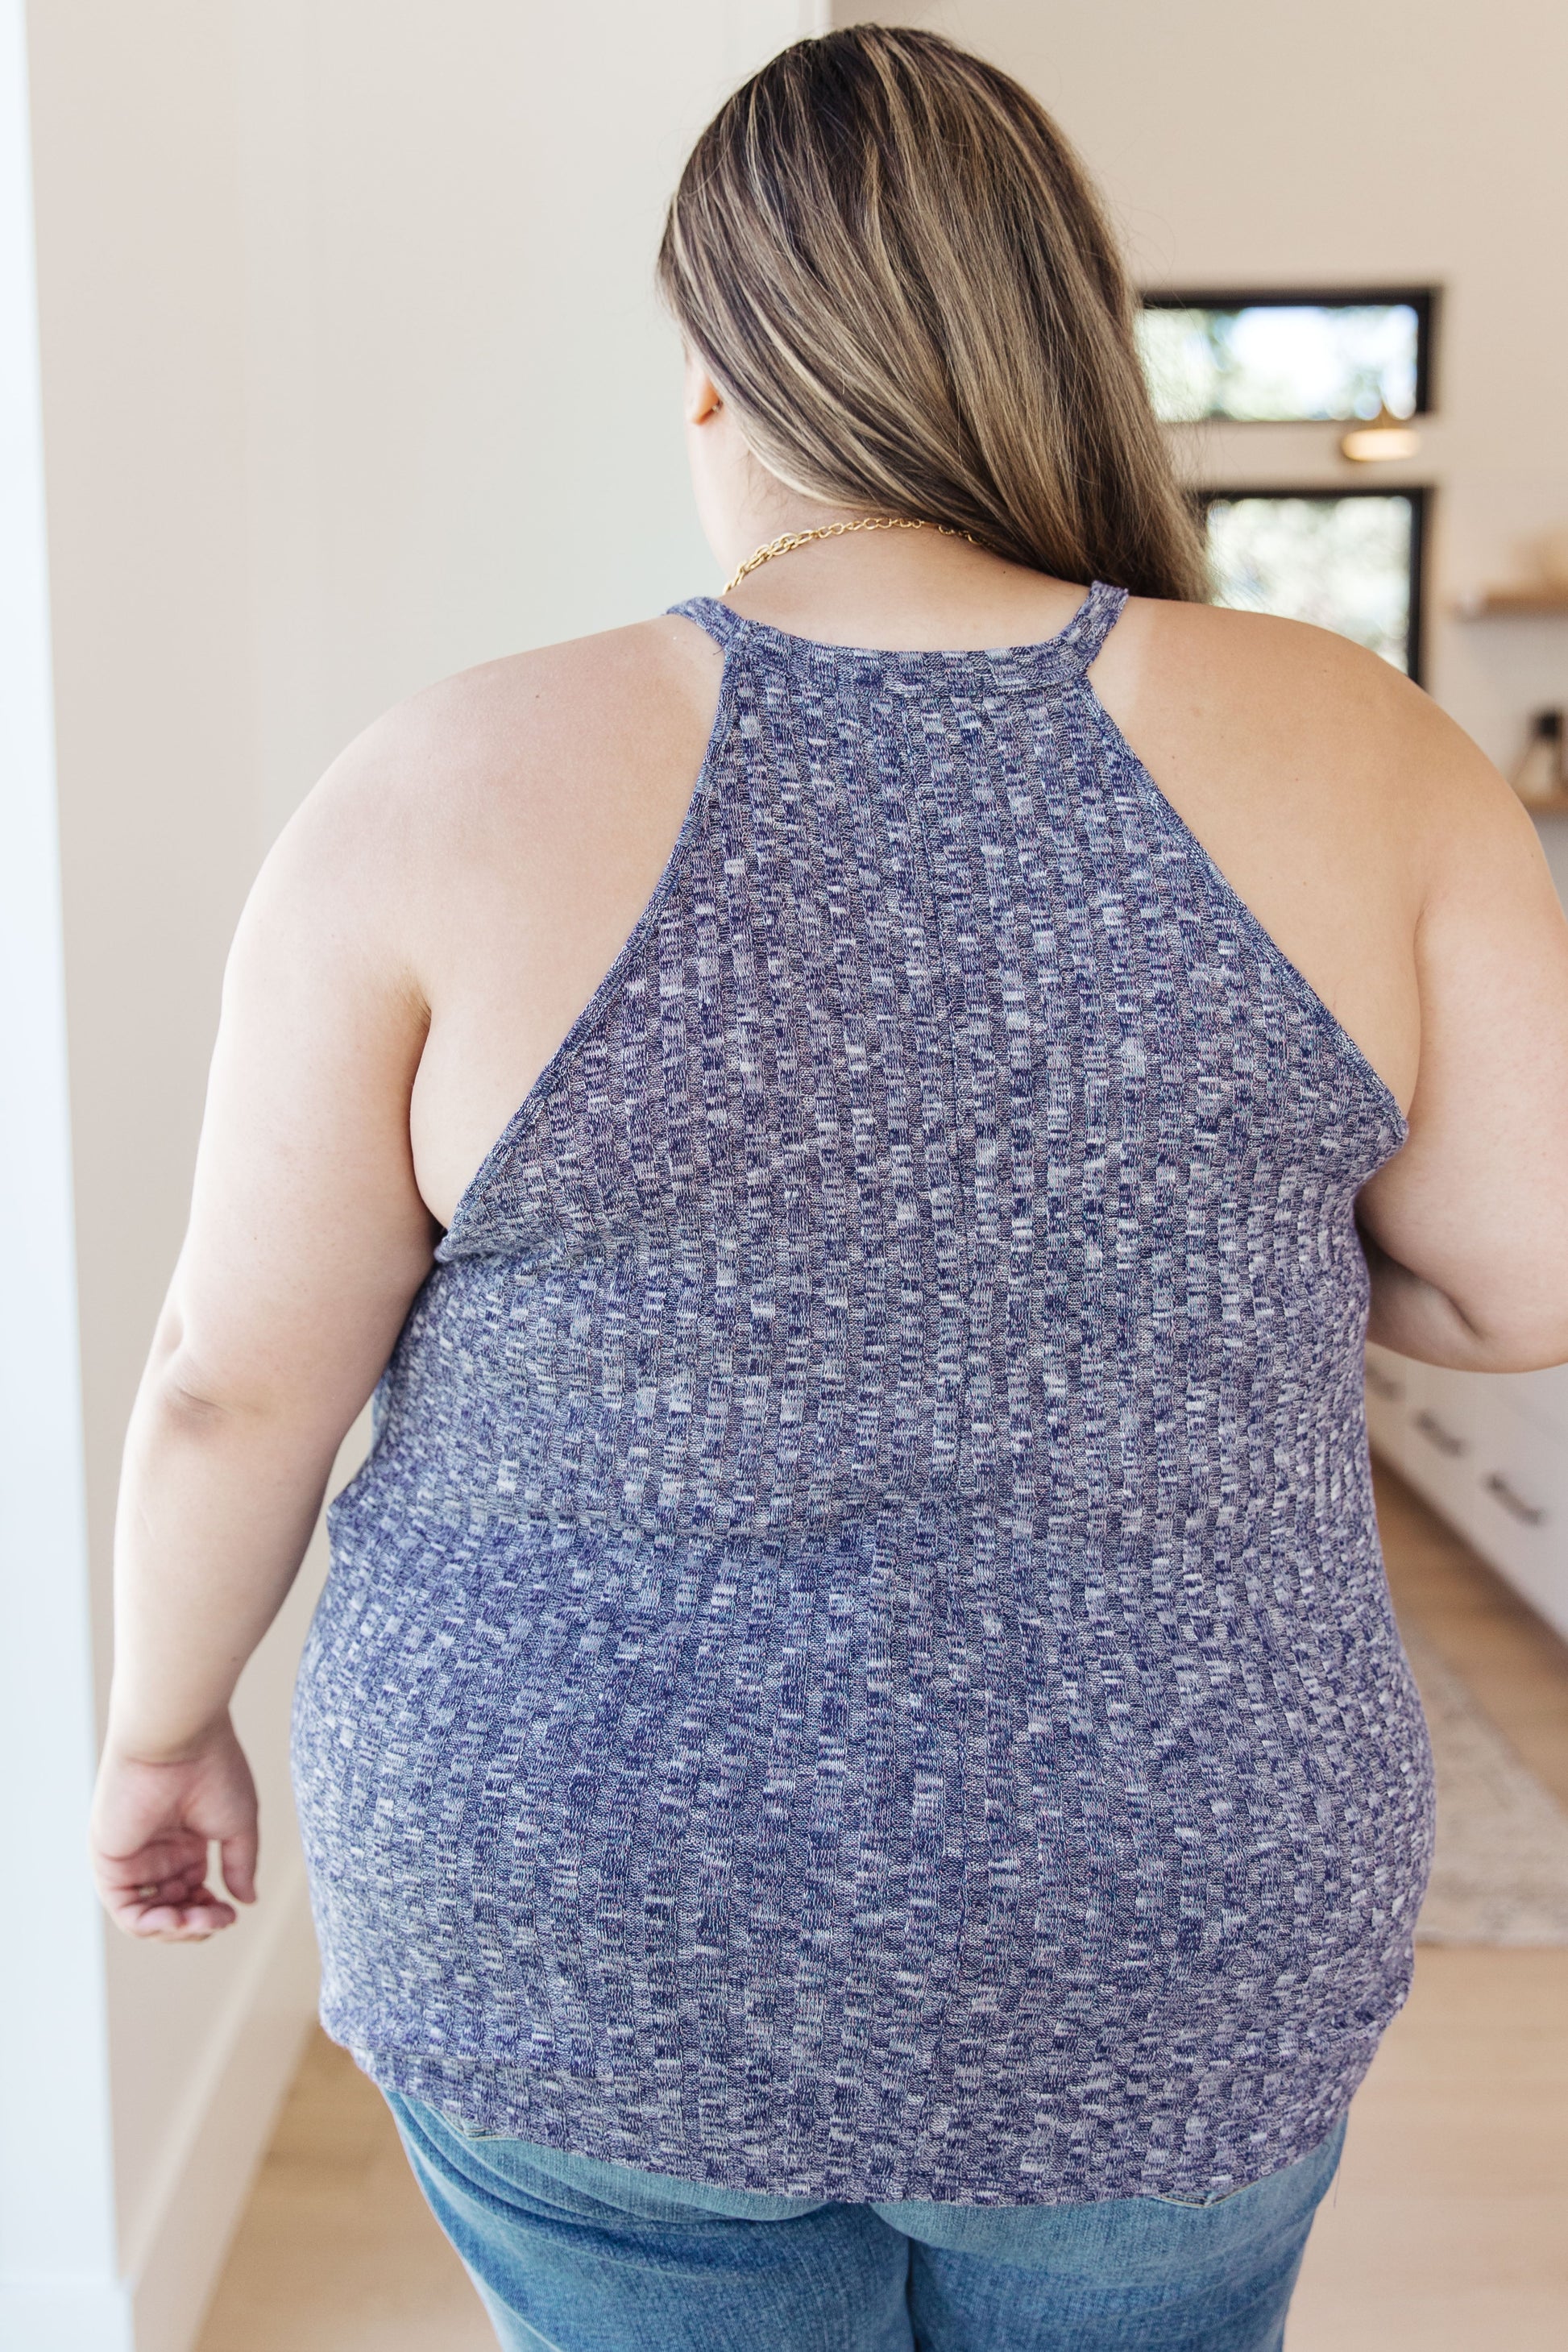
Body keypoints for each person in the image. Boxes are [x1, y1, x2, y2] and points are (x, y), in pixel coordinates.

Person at [89, 24, 1568, 2352]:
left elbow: (227, 1386)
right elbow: (1523, 1280)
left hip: (567, 1903)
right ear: (1068, 353)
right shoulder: (1363, 748)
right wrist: (1178, 1232)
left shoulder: (442, 783)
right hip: (1174, 1910)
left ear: (715, 380)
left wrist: (160, 1724)